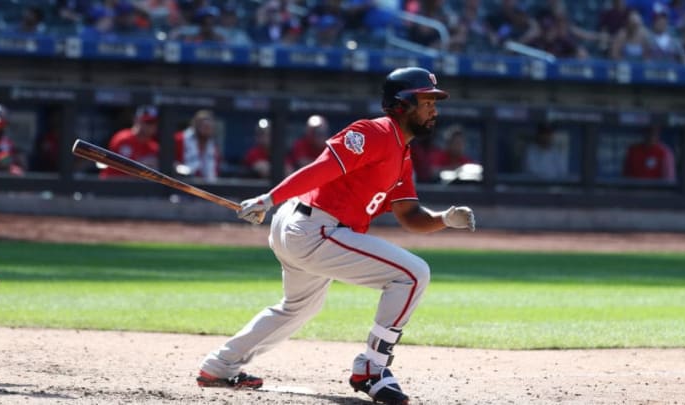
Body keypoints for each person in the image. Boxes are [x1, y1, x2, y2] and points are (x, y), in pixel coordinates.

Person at [196, 67, 476, 405]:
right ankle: (372, 368)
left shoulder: (402, 154)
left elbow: (411, 217)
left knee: (298, 307)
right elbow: (323, 168)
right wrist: (269, 198)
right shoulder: (373, 132)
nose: (434, 109)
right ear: (402, 104)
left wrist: (443, 219)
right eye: (426, 101)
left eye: (435, 101)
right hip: (314, 228)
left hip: (306, 227)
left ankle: (219, 366)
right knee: (413, 274)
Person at [100, 105, 160, 179]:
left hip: (137, 188)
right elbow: (121, 170)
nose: (151, 126)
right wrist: (143, 165)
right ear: (136, 120)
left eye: (154, 122)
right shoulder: (123, 139)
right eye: (147, 122)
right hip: (111, 185)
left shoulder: (154, 147)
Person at [173, 109, 220, 182]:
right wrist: (181, 169)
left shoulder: (213, 145)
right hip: (181, 183)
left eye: (208, 126)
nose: (206, 128)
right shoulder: (179, 139)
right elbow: (168, 163)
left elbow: (214, 170)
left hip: (206, 187)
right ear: (195, 124)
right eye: (202, 125)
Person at [0, 103, 25, 176]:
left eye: (4, 125)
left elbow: (13, 166)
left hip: (4, 182)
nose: (2, 128)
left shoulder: (7, 142)